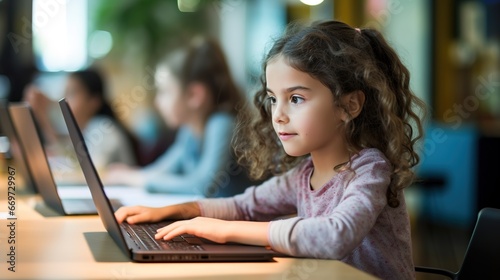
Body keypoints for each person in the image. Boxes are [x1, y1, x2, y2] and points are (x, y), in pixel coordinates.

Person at [114, 20, 426, 280]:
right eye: (273, 98)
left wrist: (227, 231)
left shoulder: (369, 169)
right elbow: (244, 206)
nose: (278, 114)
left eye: (297, 98)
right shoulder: (303, 175)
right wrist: (182, 210)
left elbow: (336, 236)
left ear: (349, 105)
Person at [105, 37, 254, 197]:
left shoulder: (222, 124)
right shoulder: (190, 131)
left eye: (164, 92)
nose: (157, 102)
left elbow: (201, 186)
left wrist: (138, 179)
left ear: (194, 95)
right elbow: (163, 170)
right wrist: (129, 175)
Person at [24, 69, 137, 172]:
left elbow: (87, 170)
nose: (65, 101)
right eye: (64, 94)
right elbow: (68, 154)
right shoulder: (85, 130)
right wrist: (42, 116)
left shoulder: (104, 129)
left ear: (94, 101)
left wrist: (44, 116)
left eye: (72, 94)